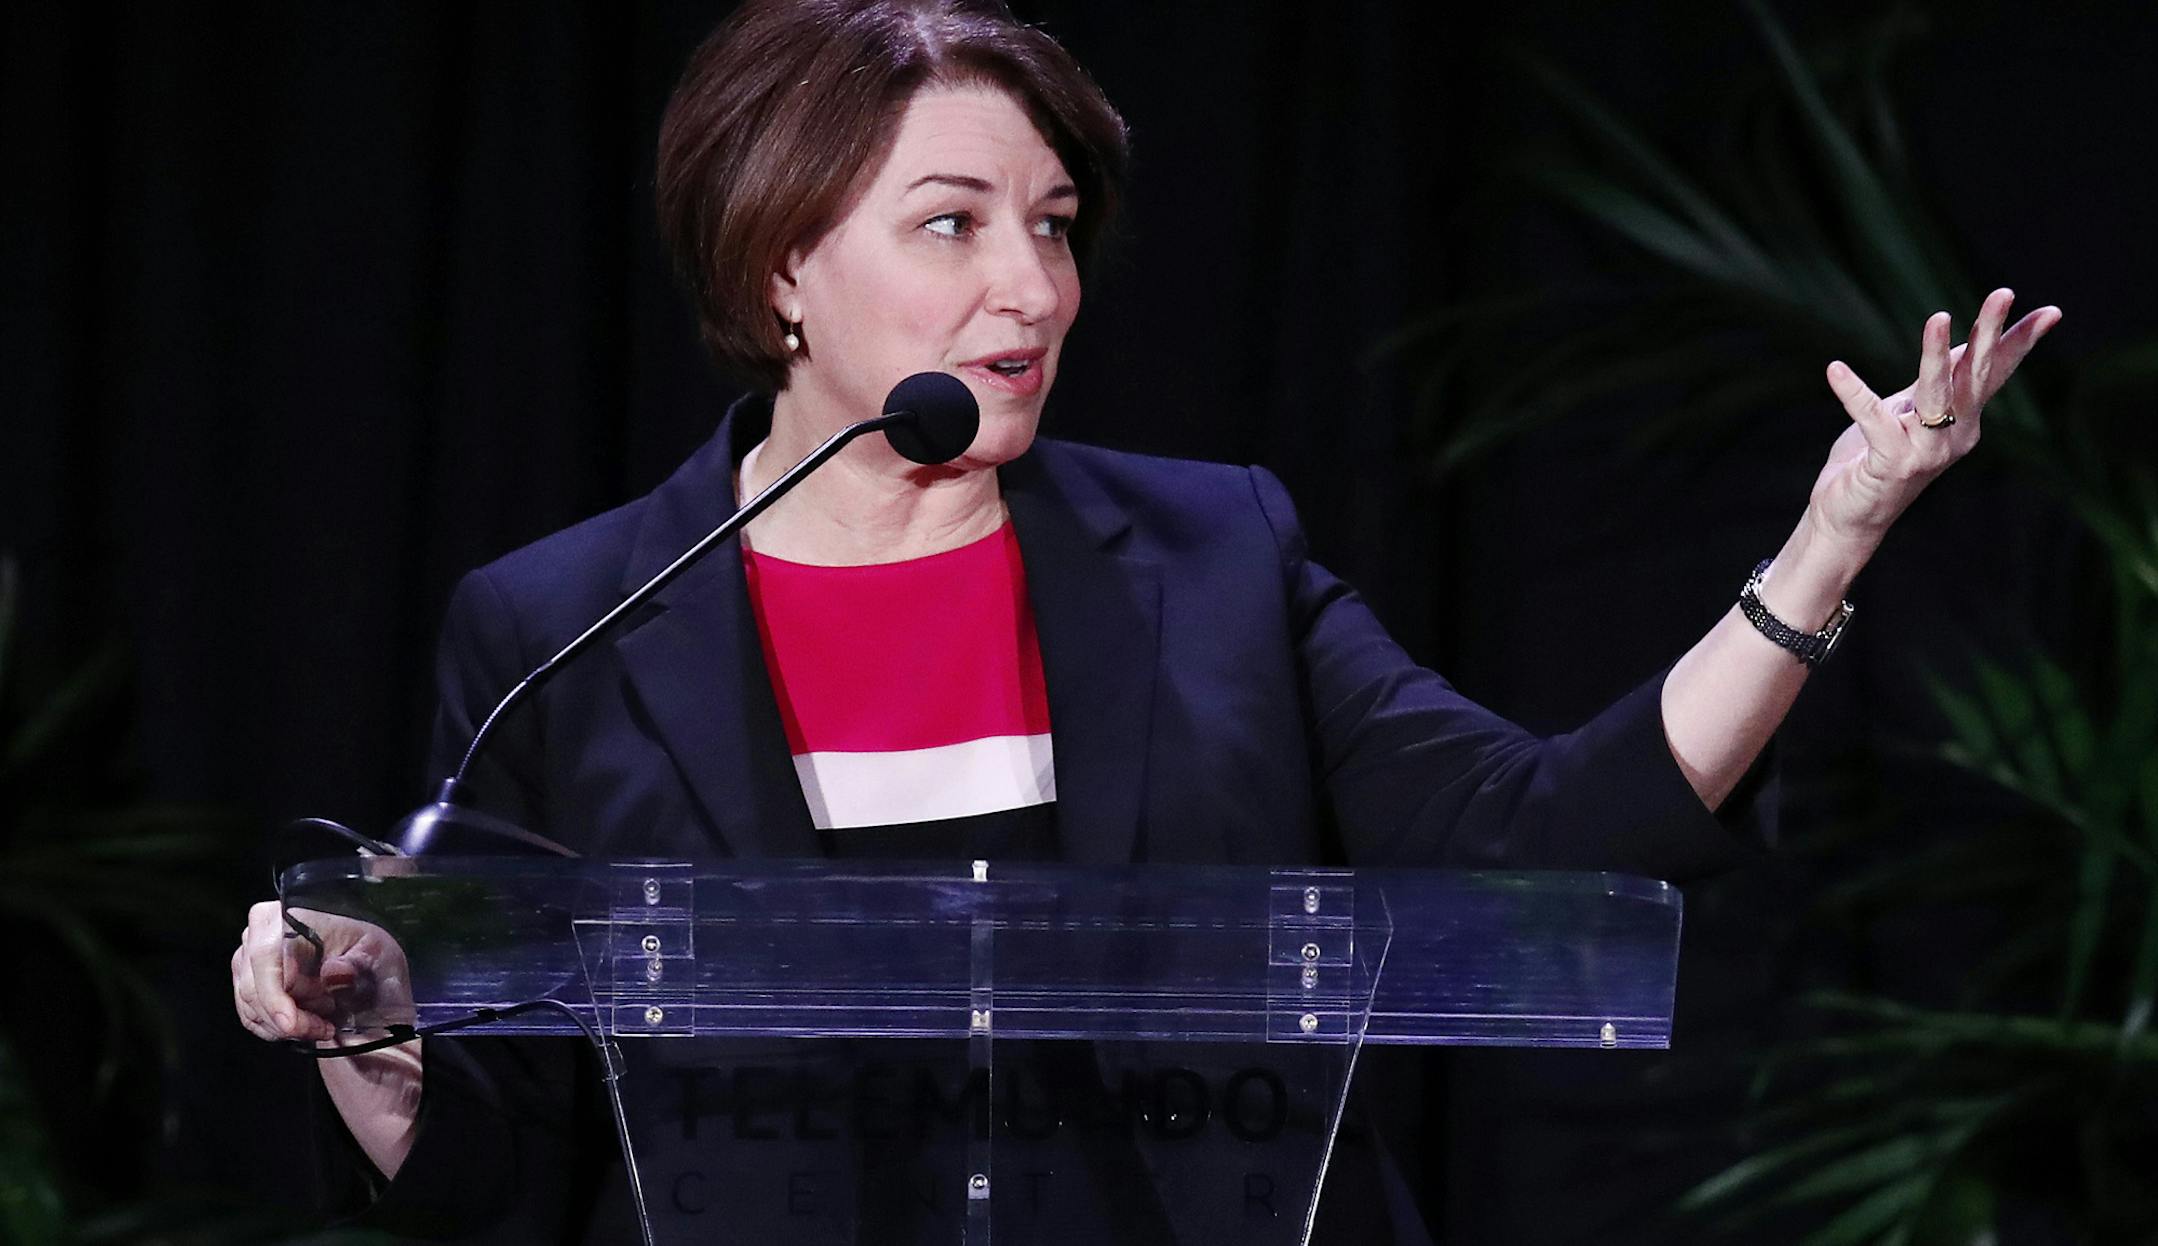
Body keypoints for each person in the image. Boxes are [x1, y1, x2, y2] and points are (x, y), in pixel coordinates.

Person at [229, 0, 2061, 1240]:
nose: (1032, 284)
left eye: (1055, 221)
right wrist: (372, 1044)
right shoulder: (562, 621)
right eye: (952, 224)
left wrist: (1834, 536)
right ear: (780, 261)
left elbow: (1541, 835)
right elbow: (517, 1153)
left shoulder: (1212, 556)